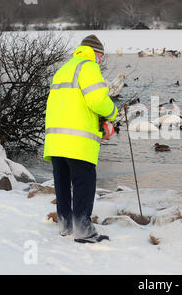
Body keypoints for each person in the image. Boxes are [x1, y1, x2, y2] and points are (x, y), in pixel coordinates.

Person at [43, 35, 118, 243]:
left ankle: (66, 226)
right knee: (84, 182)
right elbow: (96, 99)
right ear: (95, 53)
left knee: (63, 183)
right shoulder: (89, 67)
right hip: (78, 141)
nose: (101, 61)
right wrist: (113, 112)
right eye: (101, 56)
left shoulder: (64, 69)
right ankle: (84, 231)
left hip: (56, 140)